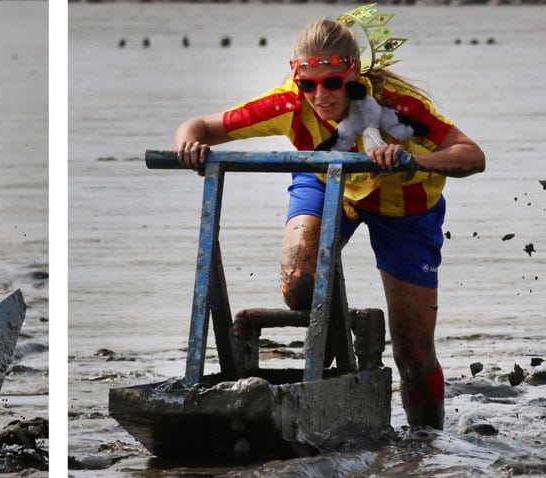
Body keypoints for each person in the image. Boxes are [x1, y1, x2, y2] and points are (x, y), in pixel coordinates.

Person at [173, 6, 485, 429]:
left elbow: (471, 155)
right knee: (299, 288)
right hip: (326, 181)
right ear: (296, 79)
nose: (321, 97)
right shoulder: (286, 103)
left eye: (333, 83)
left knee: (413, 352)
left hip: (404, 201)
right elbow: (200, 126)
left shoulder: (396, 105)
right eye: (309, 85)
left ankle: (427, 445)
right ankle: (344, 337)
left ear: (353, 74)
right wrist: (188, 143)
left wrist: (414, 159)